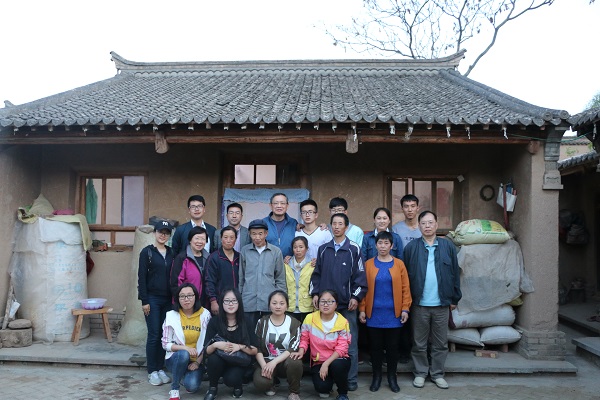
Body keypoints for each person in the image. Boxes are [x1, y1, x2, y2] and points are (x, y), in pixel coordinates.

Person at [403, 211, 461, 390]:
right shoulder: (411, 248)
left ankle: (437, 374)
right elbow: (405, 277)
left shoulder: (447, 246)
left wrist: (454, 298)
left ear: (436, 224)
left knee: (440, 343)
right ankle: (420, 373)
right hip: (419, 304)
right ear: (419, 226)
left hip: (442, 304)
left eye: (430, 222)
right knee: (419, 343)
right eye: (423, 223)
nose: (427, 226)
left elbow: (455, 273)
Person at [309, 213, 366, 392]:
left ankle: (350, 380)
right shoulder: (323, 249)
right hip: (326, 307)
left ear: (346, 227)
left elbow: (361, 278)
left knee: (350, 344)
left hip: (346, 305)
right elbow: (316, 275)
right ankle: (328, 378)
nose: (337, 227)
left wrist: (355, 297)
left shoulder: (354, 249)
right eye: (334, 223)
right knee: (325, 342)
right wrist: (315, 293)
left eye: (340, 224)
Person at [358, 231, 412, 393]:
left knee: (392, 348)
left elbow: (405, 289)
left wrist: (405, 309)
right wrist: (362, 309)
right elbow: (363, 289)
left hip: (394, 314)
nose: (383, 246)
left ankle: (392, 378)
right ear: (375, 245)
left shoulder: (399, 264)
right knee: (375, 348)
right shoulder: (368, 264)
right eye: (380, 243)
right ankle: (376, 377)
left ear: (392, 245)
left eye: (386, 243)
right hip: (373, 314)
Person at [290, 290, 351, 400]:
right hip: (318, 360)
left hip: (337, 359)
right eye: (322, 301)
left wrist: (326, 364)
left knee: (337, 365)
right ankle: (329, 381)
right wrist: (301, 351)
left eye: (330, 301)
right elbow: (304, 339)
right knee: (322, 389)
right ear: (318, 304)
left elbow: (342, 348)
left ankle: (343, 393)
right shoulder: (310, 318)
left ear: (336, 304)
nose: (326, 304)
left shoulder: (343, 322)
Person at [203, 289, 259, 400]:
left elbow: (255, 350)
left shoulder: (246, 321)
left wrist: (239, 347)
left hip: (238, 361)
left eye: (234, 300)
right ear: (221, 303)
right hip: (220, 359)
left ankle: (237, 384)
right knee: (213, 359)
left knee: (231, 379)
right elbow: (206, 351)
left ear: (239, 302)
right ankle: (212, 388)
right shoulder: (215, 321)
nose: (230, 304)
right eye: (227, 301)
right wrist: (216, 345)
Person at [138, 220, 175, 387]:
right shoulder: (147, 252)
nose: (163, 235)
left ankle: (160, 368)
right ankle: (152, 371)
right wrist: (144, 300)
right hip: (152, 299)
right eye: (160, 232)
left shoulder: (172, 252)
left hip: (168, 300)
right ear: (155, 233)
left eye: (166, 233)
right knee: (153, 334)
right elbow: (141, 278)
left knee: (164, 334)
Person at [162, 283, 211, 400]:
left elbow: (209, 342)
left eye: (189, 295)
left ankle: (182, 375)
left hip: (196, 360)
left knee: (192, 386)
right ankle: (174, 389)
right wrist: (185, 348)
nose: (186, 299)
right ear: (178, 299)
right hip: (176, 358)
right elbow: (165, 344)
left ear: (195, 297)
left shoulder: (205, 314)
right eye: (182, 296)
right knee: (184, 354)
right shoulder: (171, 315)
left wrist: (197, 362)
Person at [253, 290, 303, 400]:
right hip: (267, 360)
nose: (278, 306)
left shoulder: (294, 323)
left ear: (287, 306)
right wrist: (264, 366)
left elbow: (293, 348)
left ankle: (294, 391)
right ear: (269, 305)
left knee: (295, 362)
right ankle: (272, 383)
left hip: (285, 361)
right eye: (274, 303)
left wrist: (274, 362)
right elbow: (257, 347)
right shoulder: (262, 322)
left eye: (282, 303)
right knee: (261, 382)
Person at [239, 219, 287, 330]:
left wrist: (281, 301)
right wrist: (240, 298)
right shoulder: (245, 251)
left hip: (269, 302)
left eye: (260, 234)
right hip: (248, 302)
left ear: (266, 233)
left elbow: (280, 278)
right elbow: (241, 277)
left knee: (268, 333)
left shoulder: (275, 252)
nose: (257, 237)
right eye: (254, 234)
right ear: (249, 234)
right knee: (249, 334)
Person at [391, 195, 421, 363]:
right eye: (406, 206)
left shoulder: (423, 227)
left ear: (418, 208)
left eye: (412, 206)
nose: (410, 209)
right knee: (402, 312)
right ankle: (403, 351)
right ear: (402, 208)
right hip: (401, 277)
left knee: (419, 313)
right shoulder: (396, 229)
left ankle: (420, 351)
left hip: (419, 276)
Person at [205, 226, 240, 315]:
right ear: (221, 239)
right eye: (225, 237)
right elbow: (209, 281)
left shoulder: (239, 257)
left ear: (235, 239)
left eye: (232, 238)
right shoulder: (214, 258)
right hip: (220, 301)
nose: (228, 240)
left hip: (237, 301)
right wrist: (213, 301)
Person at [170, 227, 209, 305]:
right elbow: (175, 283)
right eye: (197, 238)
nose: (200, 242)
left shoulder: (209, 258)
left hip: (205, 303)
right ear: (190, 240)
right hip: (186, 303)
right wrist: (180, 301)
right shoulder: (182, 258)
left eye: (203, 239)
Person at [285, 236, 314, 323]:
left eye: (301, 247)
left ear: (306, 249)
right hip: (289, 307)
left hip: (307, 307)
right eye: (295, 247)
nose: (298, 250)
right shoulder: (286, 265)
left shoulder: (312, 265)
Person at [262, 192, 299, 257]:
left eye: (282, 203)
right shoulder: (263, 223)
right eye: (276, 203)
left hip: (289, 262)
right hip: (268, 262)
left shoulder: (293, 223)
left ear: (287, 206)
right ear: (270, 205)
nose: (279, 206)